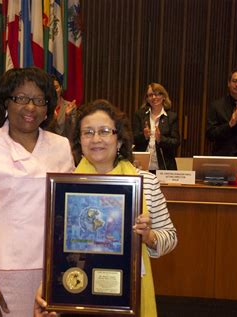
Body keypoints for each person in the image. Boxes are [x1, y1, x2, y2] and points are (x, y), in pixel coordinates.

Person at [36, 99, 178, 317]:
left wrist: (148, 236)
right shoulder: (65, 188)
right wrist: (50, 290)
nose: (96, 139)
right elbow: (54, 248)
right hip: (78, 293)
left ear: (119, 139)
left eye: (104, 131)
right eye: (87, 132)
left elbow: (170, 238)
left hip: (128, 294)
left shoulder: (145, 183)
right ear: (79, 141)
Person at [0, 67, 75, 317]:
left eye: (39, 100)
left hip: (52, 270)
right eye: (21, 98)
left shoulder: (61, 146)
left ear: (48, 107)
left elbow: (69, 212)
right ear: (6, 103)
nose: (30, 107)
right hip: (0, 273)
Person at [132, 83, 180, 171]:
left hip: (164, 167)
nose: (154, 97)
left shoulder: (171, 117)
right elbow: (132, 139)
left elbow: (176, 142)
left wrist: (160, 139)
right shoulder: (139, 115)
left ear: (164, 96)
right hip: (142, 168)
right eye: (150, 95)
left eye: (158, 94)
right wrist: (144, 136)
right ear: (147, 99)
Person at [47, 75, 77, 140]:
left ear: (61, 88)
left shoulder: (69, 106)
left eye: (56, 87)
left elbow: (72, 133)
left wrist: (67, 116)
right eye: (51, 88)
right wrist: (53, 120)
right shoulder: (44, 106)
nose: (54, 91)